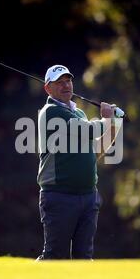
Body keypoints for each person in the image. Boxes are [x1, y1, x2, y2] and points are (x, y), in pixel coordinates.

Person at [36, 64, 117, 260]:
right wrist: (106, 118)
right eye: (59, 83)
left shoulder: (79, 113)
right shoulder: (51, 112)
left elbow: (97, 150)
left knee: (84, 258)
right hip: (59, 195)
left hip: (88, 196)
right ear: (48, 88)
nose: (66, 86)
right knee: (54, 256)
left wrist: (115, 123)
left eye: (68, 81)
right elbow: (90, 130)